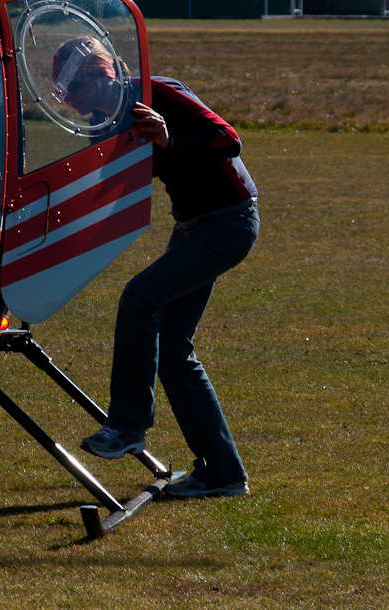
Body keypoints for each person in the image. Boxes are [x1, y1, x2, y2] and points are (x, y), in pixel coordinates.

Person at [54, 39, 258, 499]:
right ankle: (223, 473)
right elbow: (113, 186)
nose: (71, 102)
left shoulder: (158, 92)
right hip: (194, 227)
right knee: (172, 349)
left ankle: (127, 427)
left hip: (229, 221)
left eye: (74, 88)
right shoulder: (104, 123)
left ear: (101, 74)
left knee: (139, 298)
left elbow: (228, 140)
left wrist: (169, 139)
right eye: (63, 93)